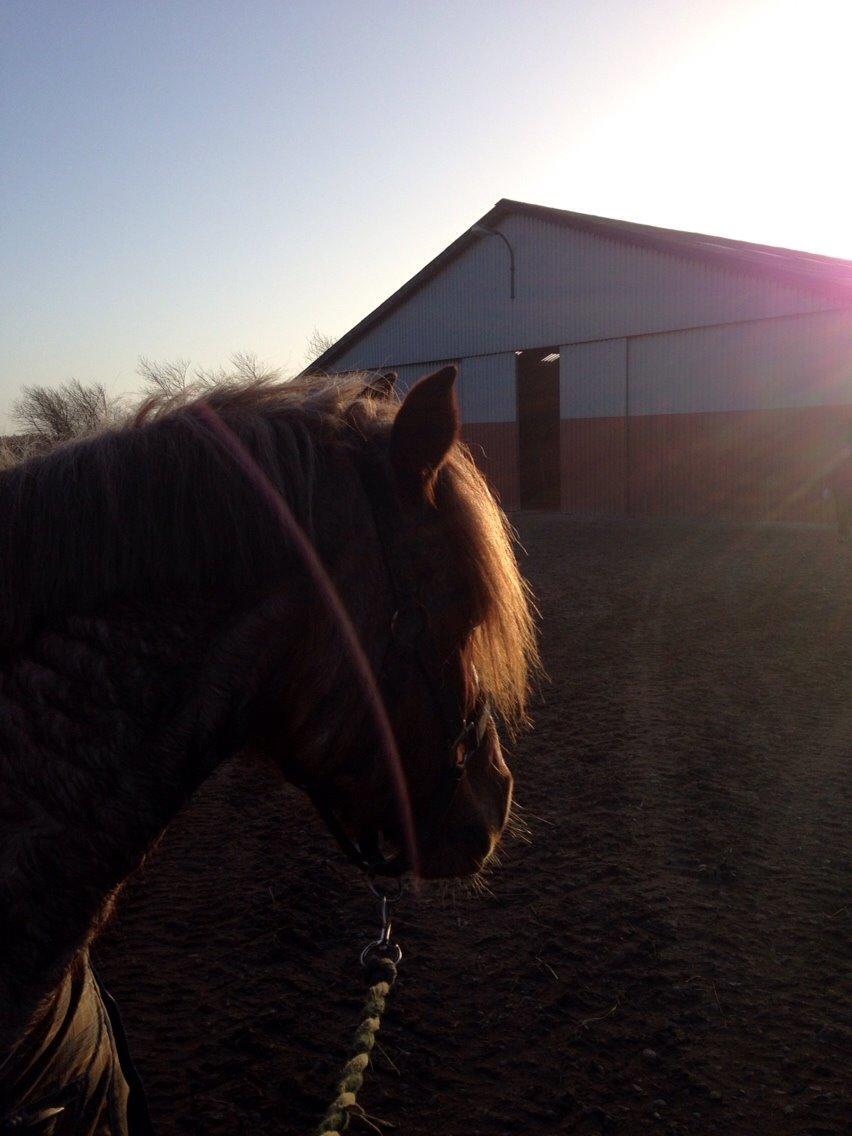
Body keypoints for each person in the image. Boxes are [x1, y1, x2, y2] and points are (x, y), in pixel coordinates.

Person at [825, 430, 852, 544]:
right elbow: (832, 474)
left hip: (843, 488)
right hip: (841, 489)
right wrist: (828, 488)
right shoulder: (837, 460)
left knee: (844, 511)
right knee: (842, 512)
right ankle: (843, 534)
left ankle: (844, 534)